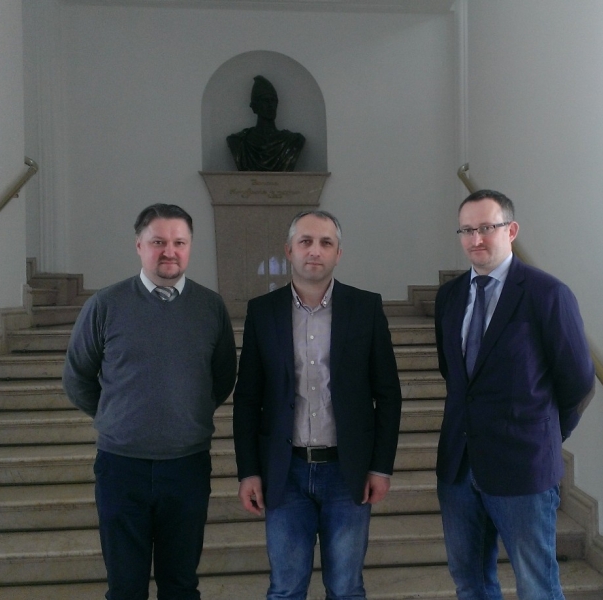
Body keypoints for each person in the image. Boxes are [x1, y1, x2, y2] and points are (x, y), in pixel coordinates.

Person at [62, 203, 237, 600]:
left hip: (187, 466)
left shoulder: (211, 307)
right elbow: (77, 377)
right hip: (122, 467)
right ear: (139, 245)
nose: (169, 251)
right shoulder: (105, 305)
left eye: (179, 242)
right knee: (125, 587)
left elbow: (223, 377)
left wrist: (185, 413)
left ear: (190, 247)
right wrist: (117, 415)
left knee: (181, 585)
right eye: (158, 242)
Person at [433, 190, 596, 600]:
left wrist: (545, 434)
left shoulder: (547, 294)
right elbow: (456, 378)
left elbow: (578, 381)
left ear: (511, 230)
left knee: (537, 586)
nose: (476, 239)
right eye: (467, 230)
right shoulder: (449, 297)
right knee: (470, 582)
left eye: (487, 227)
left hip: (523, 466)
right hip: (458, 466)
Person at [233, 210, 403, 599]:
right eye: (306, 241)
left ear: (338, 254)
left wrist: (380, 466)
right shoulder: (263, 311)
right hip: (285, 470)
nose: (315, 250)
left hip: (348, 470)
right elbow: (248, 398)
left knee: (346, 588)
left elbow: (388, 393)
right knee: (286, 588)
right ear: (289, 250)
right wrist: (249, 471)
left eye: (326, 243)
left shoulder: (365, 308)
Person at [227, 75, 306, 172]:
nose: (271, 105)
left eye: (274, 101)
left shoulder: (293, 141)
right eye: (265, 101)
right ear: (254, 107)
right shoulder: (239, 142)